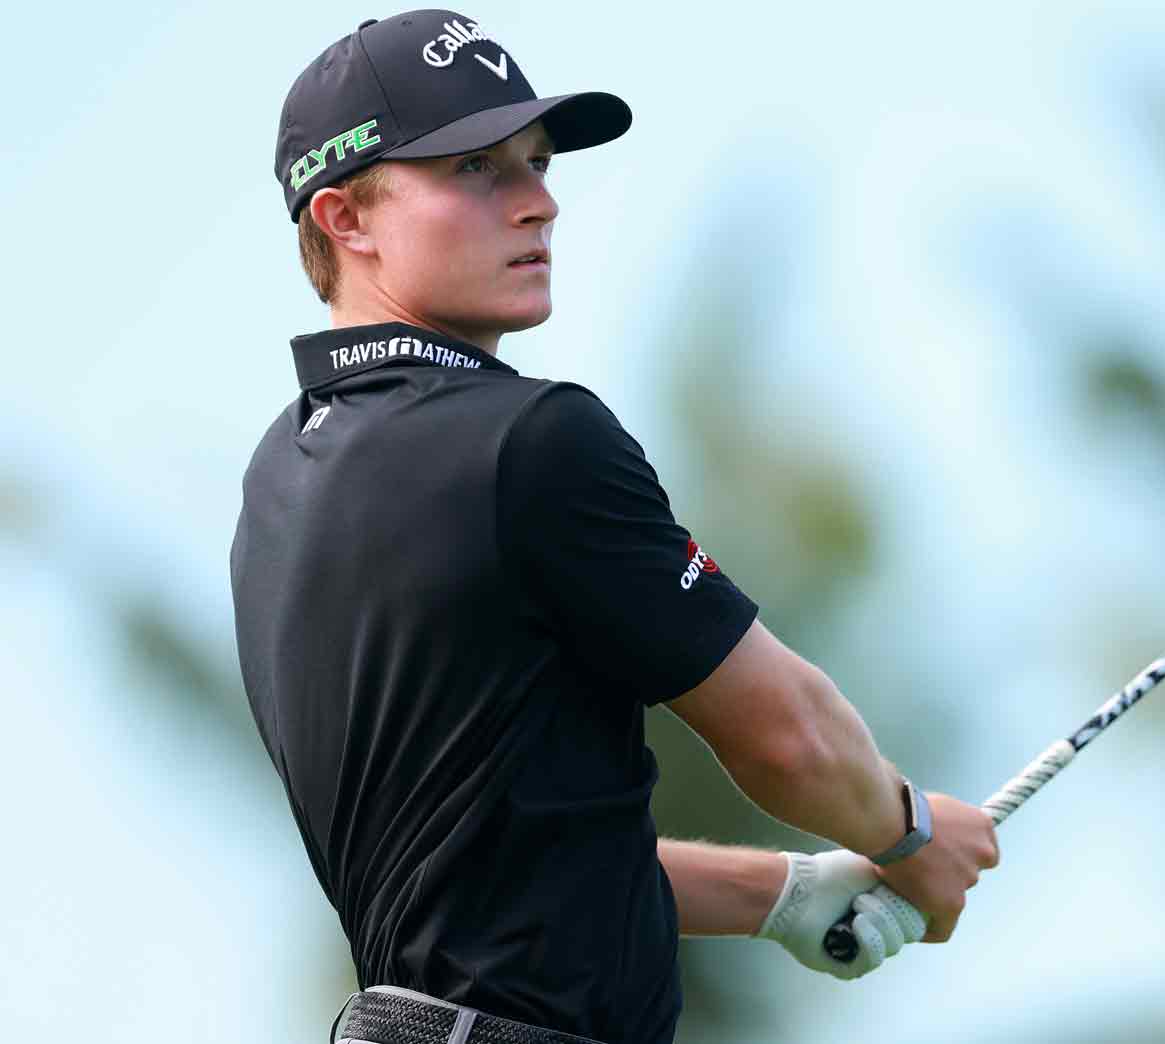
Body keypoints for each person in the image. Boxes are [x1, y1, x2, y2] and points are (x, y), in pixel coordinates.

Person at [230, 12, 999, 1044]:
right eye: (474, 170)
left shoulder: (280, 482)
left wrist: (779, 894)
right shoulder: (531, 440)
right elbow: (790, 738)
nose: (537, 203)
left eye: (536, 164)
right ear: (345, 218)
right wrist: (907, 832)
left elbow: (497, 857)